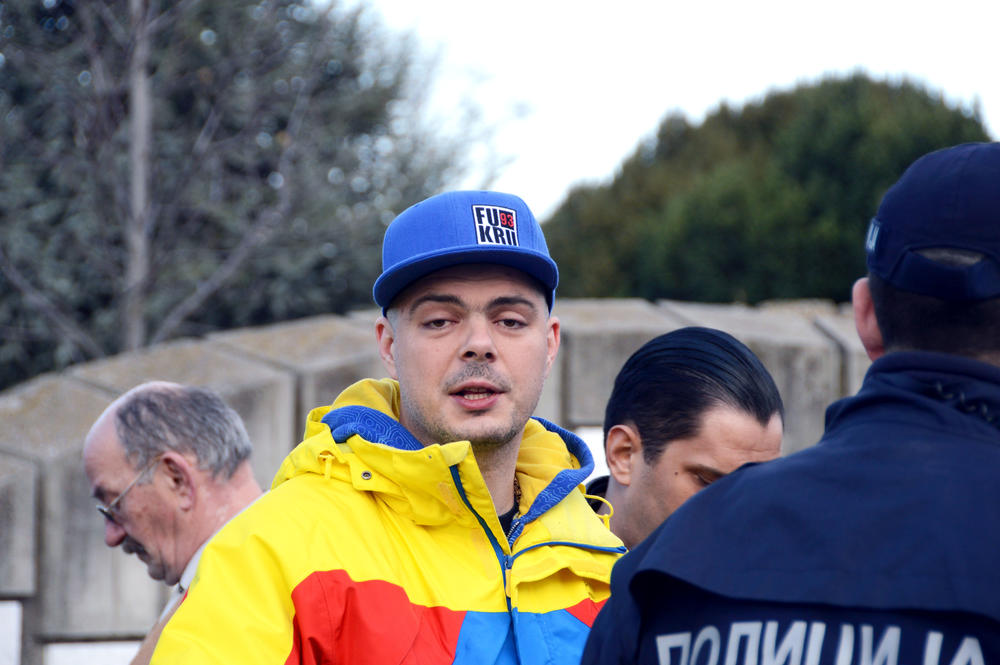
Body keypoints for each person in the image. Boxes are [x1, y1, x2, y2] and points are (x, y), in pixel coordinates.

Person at [151, 190, 625, 664]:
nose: (479, 343)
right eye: (440, 321)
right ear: (388, 345)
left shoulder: (602, 559)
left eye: (510, 321)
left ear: (550, 344)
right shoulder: (272, 551)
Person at [582, 141, 1000, 665]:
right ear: (621, 453)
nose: (729, 503)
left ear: (865, 315)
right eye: (708, 480)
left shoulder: (656, 577)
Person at [83, 381, 263, 665]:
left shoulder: (238, 596)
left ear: (176, 479)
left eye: (115, 505)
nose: (111, 536)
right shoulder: (276, 564)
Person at [585, 326, 784, 549]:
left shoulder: (779, 565)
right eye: (708, 482)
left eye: (757, 491)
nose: (740, 517)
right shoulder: (550, 567)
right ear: (624, 454)